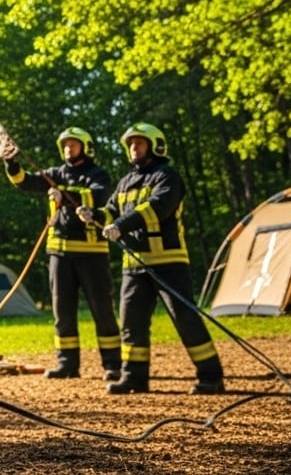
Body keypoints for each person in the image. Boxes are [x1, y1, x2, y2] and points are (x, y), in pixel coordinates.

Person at [77, 122, 226, 395]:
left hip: (168, 262)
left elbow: (158, 207)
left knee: (185, 318)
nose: (134, 148)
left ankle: (211, 376)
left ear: (155, 146)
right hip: (134, 266)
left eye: (140, 143)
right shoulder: (124, 182)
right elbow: (110, 212)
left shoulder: (167, 176)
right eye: (131, 144)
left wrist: (121, 224)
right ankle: (134, 377)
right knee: (131, 323)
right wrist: (95, 215)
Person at [1, 127, 121, 380]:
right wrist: (11, 162)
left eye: (73, 145)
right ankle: (67, 364)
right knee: (62, 312)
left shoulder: (96, 174)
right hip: (59, 254)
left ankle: (113, 364)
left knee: (102, 310)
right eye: (65, 145)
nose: (68, 148)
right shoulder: (55, 173)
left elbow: (97, 196)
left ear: (85, 147)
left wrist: (65, 196)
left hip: (92, 254)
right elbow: (25, 181)